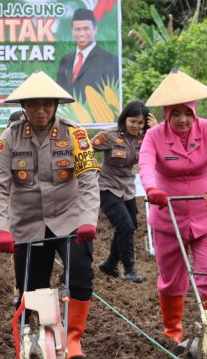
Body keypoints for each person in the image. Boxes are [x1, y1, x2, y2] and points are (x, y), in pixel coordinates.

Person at [0, 71, 100, 359]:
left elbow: (88, 180)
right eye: (34, 105)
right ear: (24, 107)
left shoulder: (74, 134)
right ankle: (40, 340)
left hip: (71, 219)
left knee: (79, 276)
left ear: (56, 105)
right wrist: (1, 228)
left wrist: (88, 220)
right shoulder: (9, 138)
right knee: (33, 287)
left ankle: (73, 339)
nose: (41, 111)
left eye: (47, 105)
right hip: (29, 225)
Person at [138, 69, 207, 347]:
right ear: (167, 113)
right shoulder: (154, 136)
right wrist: (152, 189)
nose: (182, 119)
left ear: (195, 111)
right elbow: (145, 164)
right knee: (172, 278)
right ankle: (172, 331)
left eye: (187, 113)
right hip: (169, 217)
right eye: (176, 113)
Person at [92, 101, 157, 283]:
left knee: (129, 226)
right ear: (124, 119)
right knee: (125, 226)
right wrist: (90, 171)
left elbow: (161, 149)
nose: (136, 126)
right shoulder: (109, 135)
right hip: (107, 186)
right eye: (132, 121)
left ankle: (110, 263)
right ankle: (129, 269)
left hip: (127, 187)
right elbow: (86, 149)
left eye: (140, 123)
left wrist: (155, 130)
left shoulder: (146, 138)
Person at [56, 8, 119, 104]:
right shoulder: (65, 60)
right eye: (77, 29)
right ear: (72, 31)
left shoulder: (110, 60)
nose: (81, 33)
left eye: (86, 28)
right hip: (67, 117)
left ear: (95, 30)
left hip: (97, 117)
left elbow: (112, 95)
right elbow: (59, 94)